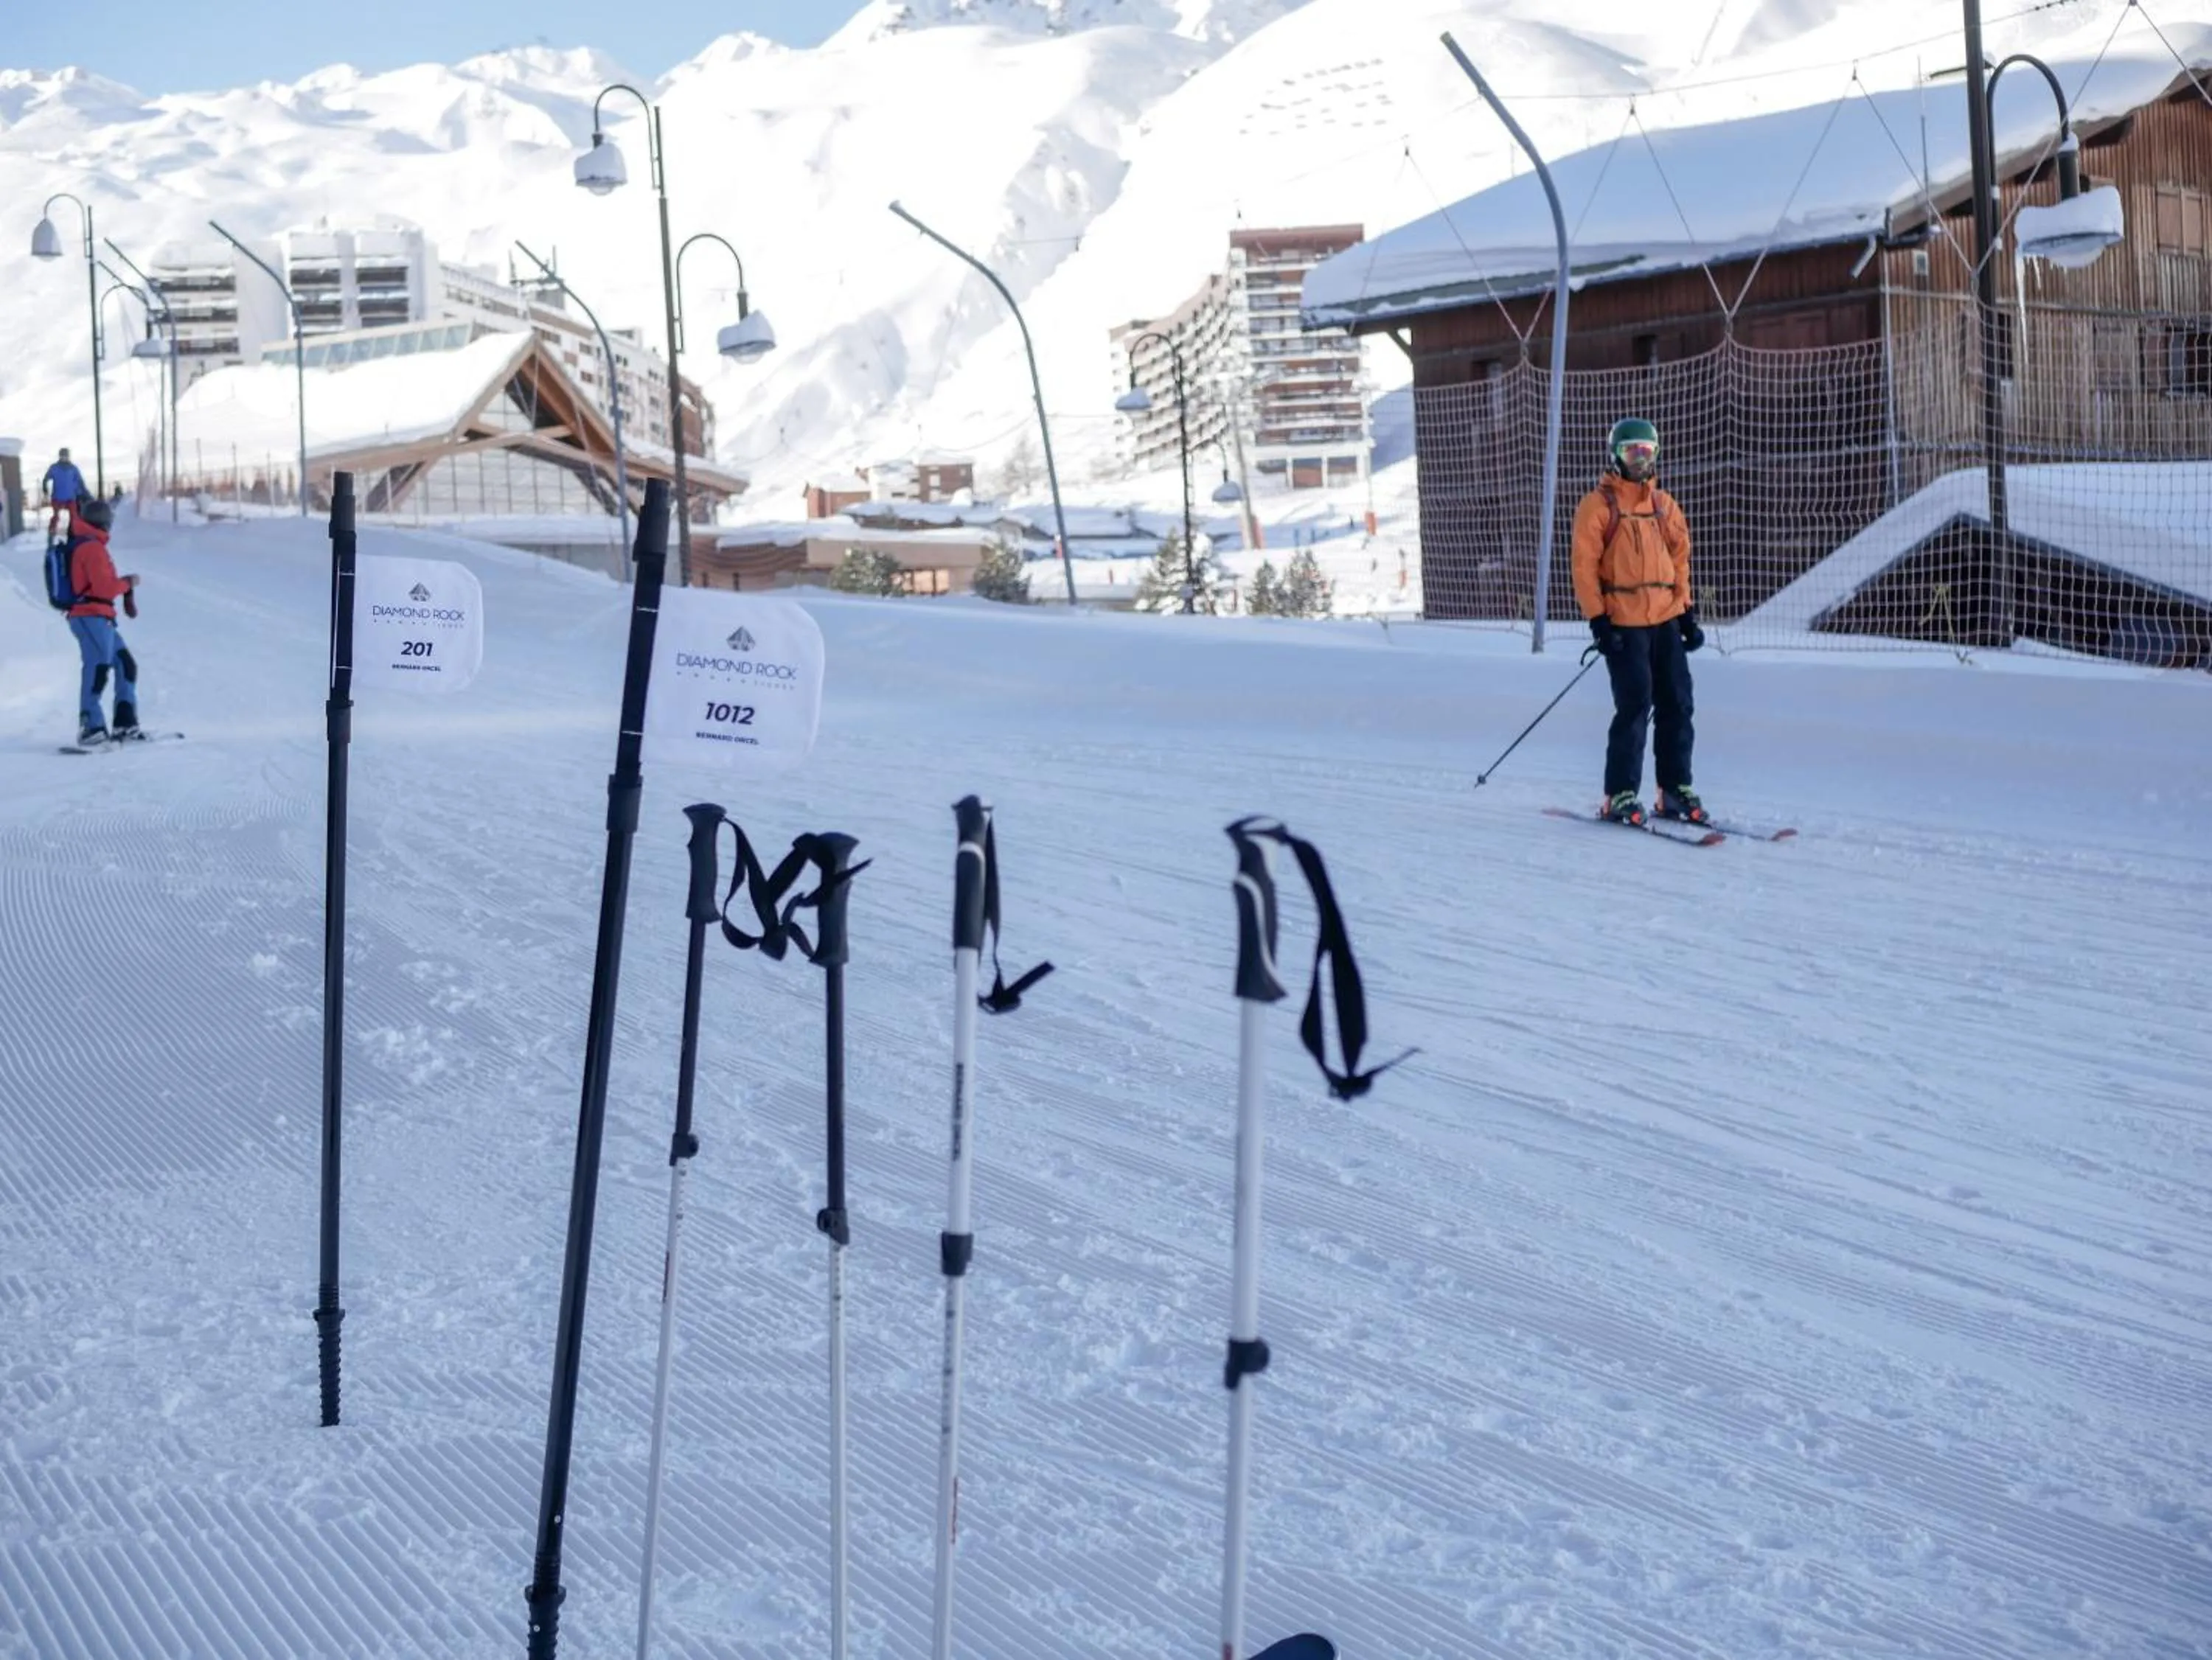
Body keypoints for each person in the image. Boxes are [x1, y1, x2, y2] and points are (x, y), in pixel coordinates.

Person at [1571, 416, 1708, 827]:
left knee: (1678, 702)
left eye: (1646, 453)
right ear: (1616, 456)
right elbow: (1584, 566)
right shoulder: (1598, 506)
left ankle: (1675, 789)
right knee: (1634, 704)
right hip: (1624, 622)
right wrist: (1598, 620)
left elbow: (1680, 559)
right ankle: (1620, 793)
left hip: (1665, 618)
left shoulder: (1664, 506)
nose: (1639, 461)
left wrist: (1685, 613)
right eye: (1631, 452)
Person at [62, 497, 144, 745]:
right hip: (90, 616)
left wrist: (123, 584)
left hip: (99, 617)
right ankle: (91, 727)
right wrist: (128, 583)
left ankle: (125, 723)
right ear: (104, 522)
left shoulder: (90, 544)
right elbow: (104, 588)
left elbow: (102, 585)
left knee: (125, 664)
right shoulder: (91, 548)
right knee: (97, 668)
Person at [42, 447, 87, 539]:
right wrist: (45, 488)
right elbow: (46, 478)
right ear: (60, 457)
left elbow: (80, 482)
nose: (64, 458)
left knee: (74, 517)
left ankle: (74, 534)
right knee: (56, 517)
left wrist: (83, 493)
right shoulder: (55, 468)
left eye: (66, 456)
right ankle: (51, 533)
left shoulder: (73, 468)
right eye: (62, 456)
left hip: (71, 498)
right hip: (57, 497)